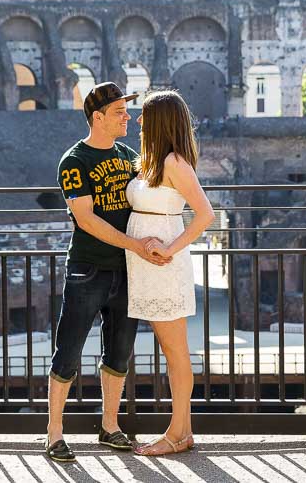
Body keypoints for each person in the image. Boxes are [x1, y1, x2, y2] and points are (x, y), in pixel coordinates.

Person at [46, 82, 170, 463]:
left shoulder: (128, 155)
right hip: (88, 268)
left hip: (126, 271)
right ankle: (53, 433)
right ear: (97, 117)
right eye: (119, 111)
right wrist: (136, 244)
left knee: (119, 353)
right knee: (68, 351)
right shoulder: (74, 160)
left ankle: (110, 426)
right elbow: (85, 219)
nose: (127, 117)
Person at [125, 90, 216, 456]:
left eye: (145, 116)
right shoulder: (150, 162)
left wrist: (169, 248)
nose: (140, 122)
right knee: (169, 349)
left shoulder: (176, 162)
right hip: (147, 264)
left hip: (164, 263)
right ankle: (185, 432)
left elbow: (205, 214)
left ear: (159, 121)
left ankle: (176, 434)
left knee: (176, 352)